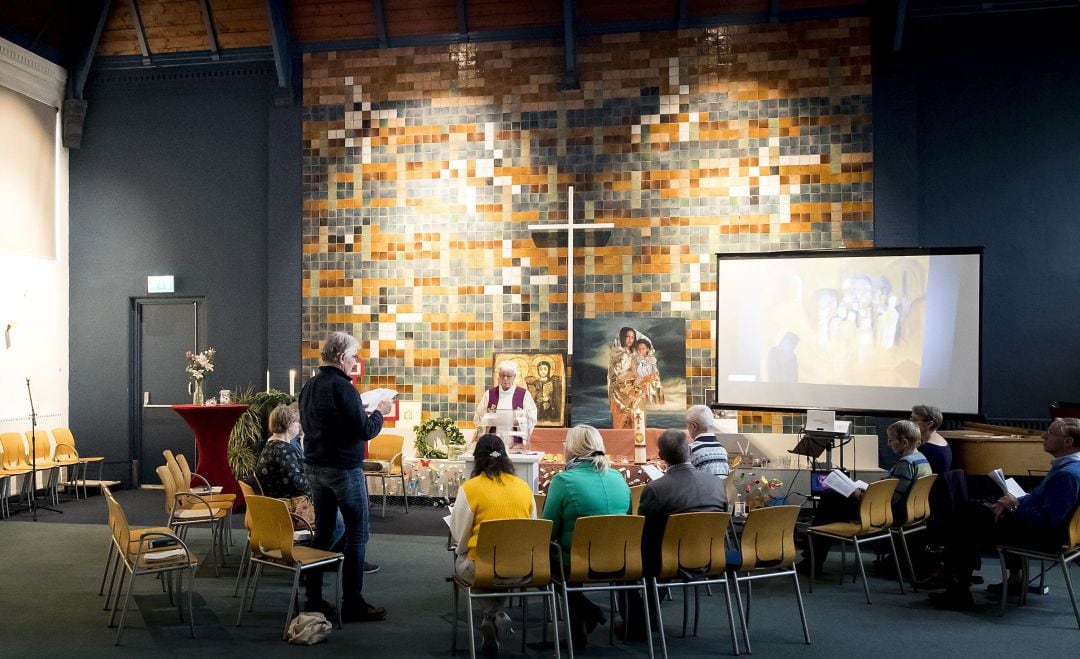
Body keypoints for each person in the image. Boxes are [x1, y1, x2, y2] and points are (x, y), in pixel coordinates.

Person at [929, 417, 1080, 609]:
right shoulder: (1069, 467)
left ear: (1068, 442)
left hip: (1046, 537)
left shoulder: (1067, 474)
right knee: (980, 509)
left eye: (1050, 433)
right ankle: (1008, 578)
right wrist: (1011, 502)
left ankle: (958, 587)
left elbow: (1047, 520)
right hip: (1050, 530)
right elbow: (1037, 498)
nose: (1043, 435)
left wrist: (1015, 507)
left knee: (966, 521)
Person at [299, 331, 393, 622]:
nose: (356, 361)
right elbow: (365, 431)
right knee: (357, 535)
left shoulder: (310, 386)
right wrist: (379, 412)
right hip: (343, 469)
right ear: (341, 358)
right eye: (353, 356)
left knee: (323, 533)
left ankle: (314, 599)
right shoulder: (344, 388)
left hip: (315, 467)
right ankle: (353, 601)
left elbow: (316, 424)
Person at [800, 420, 931, 573]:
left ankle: (812, 560)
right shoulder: (921, 459)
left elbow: (890, 501)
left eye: (891, 440)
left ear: (904, 442)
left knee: (829, 499)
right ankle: (812, 559)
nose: (889, 444)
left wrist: (858, 494)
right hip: (910, 512)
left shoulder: (905, 464)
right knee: (832, 502)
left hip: (888, 514)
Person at [544, 425, 631, 648]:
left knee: (540, 564)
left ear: (571, 449)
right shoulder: (619, 478)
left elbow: (548, 530)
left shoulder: (563, 481)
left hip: (575, 561)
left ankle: (589, 613)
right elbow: (628, 519)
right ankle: (582, 626)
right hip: (619, 559)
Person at [449, 434, 536, 655]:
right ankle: (494, 616)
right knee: (499, 566)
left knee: (465, 560)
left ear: (477, 458)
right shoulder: (524, 487)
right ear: (505, 456)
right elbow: (532, 529)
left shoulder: (470, 488)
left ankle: (493, 614)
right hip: (521, 567)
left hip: (482, 568)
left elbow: (459, 536)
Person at [255, 404, 314, 526]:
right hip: (288, 508)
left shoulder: (271, 445)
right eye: (296, 422)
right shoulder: (283, 450)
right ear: (288, 424)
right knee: (335, 517)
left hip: (274, 503)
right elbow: (298, 484)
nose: (299, 425)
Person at [473, 360, 537, 449]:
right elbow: (479, 417)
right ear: (498, 376)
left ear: (514, 376)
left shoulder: (524, 394)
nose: (505, 379)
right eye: (502, 375)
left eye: (509, 376)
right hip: (493, 443)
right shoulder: (489, 394)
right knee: (495, 461)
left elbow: (531, 418)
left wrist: (524, 437)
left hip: (516, 444)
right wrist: (483, 433)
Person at [686, 405, 729, 491]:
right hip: (720, 499)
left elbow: (683, 481)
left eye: (687, 426)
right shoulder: (722, 450)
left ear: (694, 426)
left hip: (701, 501)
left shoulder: (691, 450)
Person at [608, 326, 637, 429]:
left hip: (632, 392)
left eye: (632, 337)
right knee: (619, 419)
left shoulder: (635, 354)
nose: (630, 339)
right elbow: (612, 373)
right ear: (622, 337)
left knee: (632, 420)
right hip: (618, 392)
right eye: (627, 336)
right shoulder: (616, 353)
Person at [911, 404, 951, 474]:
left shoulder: (927, 449)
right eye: (911, 418)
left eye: (914, 420)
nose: (910, 423)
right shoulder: (939, 439)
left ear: (929, 424)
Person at [631, 337, 664, 406]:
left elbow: (655, 373)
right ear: (636, 350)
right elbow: (634, 372)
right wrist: (639, 379)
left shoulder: (651, 360)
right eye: (639, 349)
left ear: (647, 349)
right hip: (640, 383)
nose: (640, 351)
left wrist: (648, 380)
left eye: (643, 349)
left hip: (651, 383)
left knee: (653, 398)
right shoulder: (634, 360)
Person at [526, 360, 561, 424]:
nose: (543, 371)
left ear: (549, 370)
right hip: (538, 408)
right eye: (541, 369)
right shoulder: (535, 383)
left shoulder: (552, 382)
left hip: (549, 410)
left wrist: (549, 398)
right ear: (538, 371)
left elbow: (556, 397)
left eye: (545, 369)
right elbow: (532, 396)